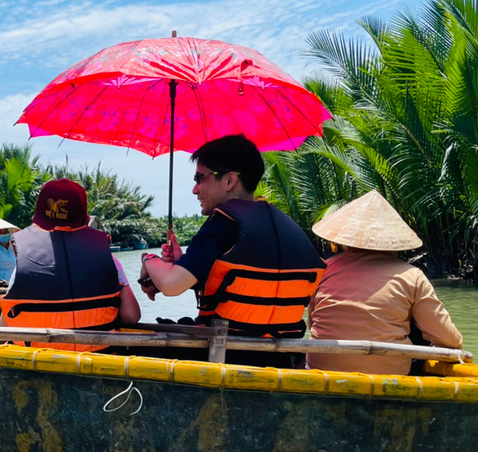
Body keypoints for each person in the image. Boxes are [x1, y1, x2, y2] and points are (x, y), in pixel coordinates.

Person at [139, 134, 326, 366]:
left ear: (229, 181)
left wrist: (148, 260)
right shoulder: (283, 224)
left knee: (134, 345)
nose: (195, 190)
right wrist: (183, 263)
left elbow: (171, 285)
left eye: (200, 178)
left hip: (227, 354)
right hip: (281, 358)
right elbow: (243, 283)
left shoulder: (222, 224)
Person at [307, 190, 463, 375]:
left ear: (345, 241)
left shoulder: (323, 269)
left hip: (322, 368)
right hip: (389, 373)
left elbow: (313, 323)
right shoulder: (412, 275)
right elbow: (447, 340)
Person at [0, 178, 140, 340]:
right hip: (98, 356)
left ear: (38, 220)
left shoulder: (23, 263)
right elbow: (131, 316)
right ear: (86, 220)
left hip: (39, 359)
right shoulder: (109, 260)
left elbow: (5, 327)